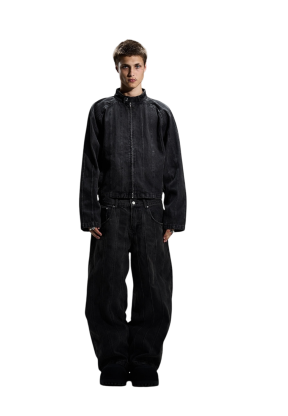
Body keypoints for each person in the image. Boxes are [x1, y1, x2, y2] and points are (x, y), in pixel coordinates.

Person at [80, 39, 186, 386]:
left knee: (154, 290)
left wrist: (173, 216)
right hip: (111, 211)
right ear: (116, 68)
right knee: (106, 289)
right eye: (124, 66)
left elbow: (173, 166)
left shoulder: (160, 112)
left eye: (136, 66)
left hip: (152, 212)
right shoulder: (101, 110)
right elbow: (91, 164)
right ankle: (111, 361)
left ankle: (145, 362)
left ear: (145, 68)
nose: (131, 72)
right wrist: (90, 213)